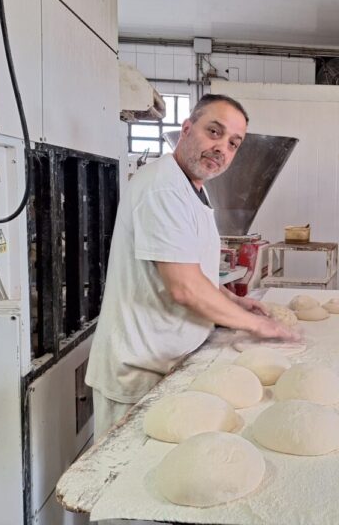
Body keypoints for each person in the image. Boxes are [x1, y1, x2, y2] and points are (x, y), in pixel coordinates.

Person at [86, 94, 298, 440]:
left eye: (233, 144)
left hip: (169, 361)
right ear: (186, 129)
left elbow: (191, 269)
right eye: (214, 132)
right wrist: (258, 325)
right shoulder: (163, 189)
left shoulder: (192, 191)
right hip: (140, 370)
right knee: (131, 482)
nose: (222, 149)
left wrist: (232, 300)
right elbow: (183, 287)